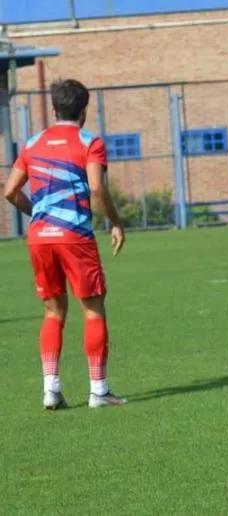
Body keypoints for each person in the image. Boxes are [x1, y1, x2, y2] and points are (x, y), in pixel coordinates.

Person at [2, 79, 127, 410]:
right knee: (93, 309)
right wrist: (116, 221)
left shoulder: (32, 142)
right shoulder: (89, 142)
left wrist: (39, 214)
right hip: (75, 237)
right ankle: (98, 391)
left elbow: (10, 191)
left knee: (53, 312)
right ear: (83, 111)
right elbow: (97, 188)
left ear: (55, 109)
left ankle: (51, 389)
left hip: (40, 238)